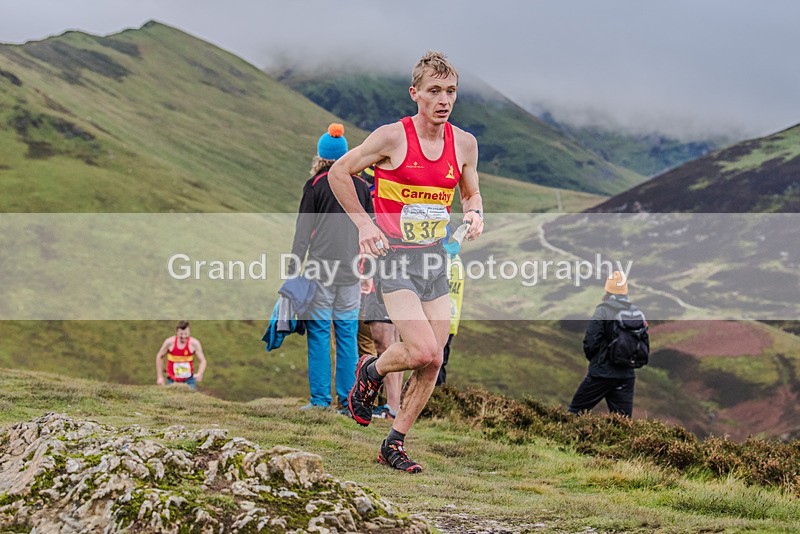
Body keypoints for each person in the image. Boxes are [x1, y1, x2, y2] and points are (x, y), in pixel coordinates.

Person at [328, 51, 484, 473]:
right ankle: (372, 370)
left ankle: (393, 443)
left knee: (434, 360)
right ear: (415, 93)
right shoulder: (392, 138)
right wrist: (364, 225)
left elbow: (470, 192)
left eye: (450, 91)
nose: (443, 100)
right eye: (434, 91)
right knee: (421, 349)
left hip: (434, 258)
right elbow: (339, 173)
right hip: (394, 257)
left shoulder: (464, 143)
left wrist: (475, 213)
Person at [290, 123, 372, 411]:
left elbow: (303, 232)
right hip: (352, 273)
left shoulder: (314, 185)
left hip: (320, 272)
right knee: (347, 335)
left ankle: (320, 400)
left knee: (319, 334)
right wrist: (368, 271)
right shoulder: (361, 186)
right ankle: (349, 403)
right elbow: (370, 229)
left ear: (321, 156)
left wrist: (293, 271)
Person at [567, 271, 649, 417]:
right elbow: (644, 342)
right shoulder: (635, 312)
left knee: (574, 413)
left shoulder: (603, 310)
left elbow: (590, 342)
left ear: (608, 289)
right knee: (623, 422)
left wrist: (597, 361)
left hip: (601, 374)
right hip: (626, 375)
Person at [436, 226, 465, 386]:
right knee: (441, 362)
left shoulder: (438, 258)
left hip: (435, 319)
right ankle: (440, 395)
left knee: (432, 364)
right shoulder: (457, 259)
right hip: (452, 319)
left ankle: (434, 398)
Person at [156, 320, 207, 391]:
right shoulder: (169, 342)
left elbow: (203, 360)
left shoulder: (194, 344)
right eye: (181, 334)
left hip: (189, 380)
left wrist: (200, 373)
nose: (183, 336)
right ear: (177, 332)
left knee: (191, 397)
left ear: (189, 332)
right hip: (172, 380)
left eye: (186, 334)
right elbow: (159, 356)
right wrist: (160, 377)